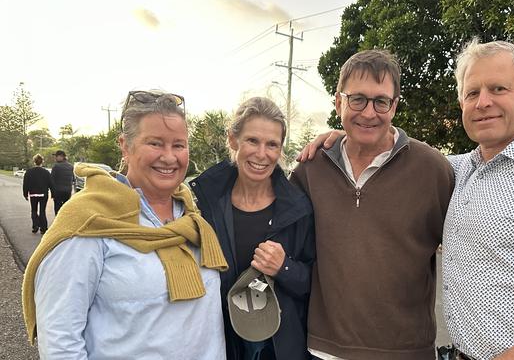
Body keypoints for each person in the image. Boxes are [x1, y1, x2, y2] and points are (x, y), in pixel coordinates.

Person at [299, 39, 514, 360]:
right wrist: (348, 135)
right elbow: (394, 155)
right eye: (472, 92)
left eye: (498, 89)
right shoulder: (456, 170)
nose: (483, 102)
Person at [22, 90, 230, 359]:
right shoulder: (90, 222)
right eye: (155, 143)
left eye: (178, 145)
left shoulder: (193, 218)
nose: (169, 157)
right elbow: (60, 340)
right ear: (125, 145)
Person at [290, 49, 455, 360]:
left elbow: (467, 254)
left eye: (381, 101)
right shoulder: (311, 169)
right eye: (357, 99)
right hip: (323, 350)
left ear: (394, 106)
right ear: (338, 102)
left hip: (406, 352)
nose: (368, 113)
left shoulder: (432, 169)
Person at [190, 97, 315, 360]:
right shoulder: (204, 202)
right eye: (252, 141)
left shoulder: (298, 208)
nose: (262, 154)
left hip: (277, 348)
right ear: (233, 140)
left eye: (272, 144)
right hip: (218, 342)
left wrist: (285, 268)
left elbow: (316, 283)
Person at [22, 154, 53, 234]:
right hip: (43, 194)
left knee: (34, 210)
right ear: (42, 161)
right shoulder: (46, 172)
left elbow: (25, 184)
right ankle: (43, 228)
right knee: (42, 211)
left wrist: (25, 194)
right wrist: (53, 193)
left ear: (34, 161)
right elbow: (51, 183)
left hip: (33, 194)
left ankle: (35, 226)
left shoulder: (29, 172)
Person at [50, 149, 74, 215]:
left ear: (61, 157)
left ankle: (58, 222)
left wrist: (52, 193)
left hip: (58, 192)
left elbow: (51, 180)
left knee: (57, 208)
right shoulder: (71, 166)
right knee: (65, 208)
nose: (55, 158)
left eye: (56, 156)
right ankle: (64, 221)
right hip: (68, 192)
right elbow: (73, 179)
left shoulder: (56, 166)